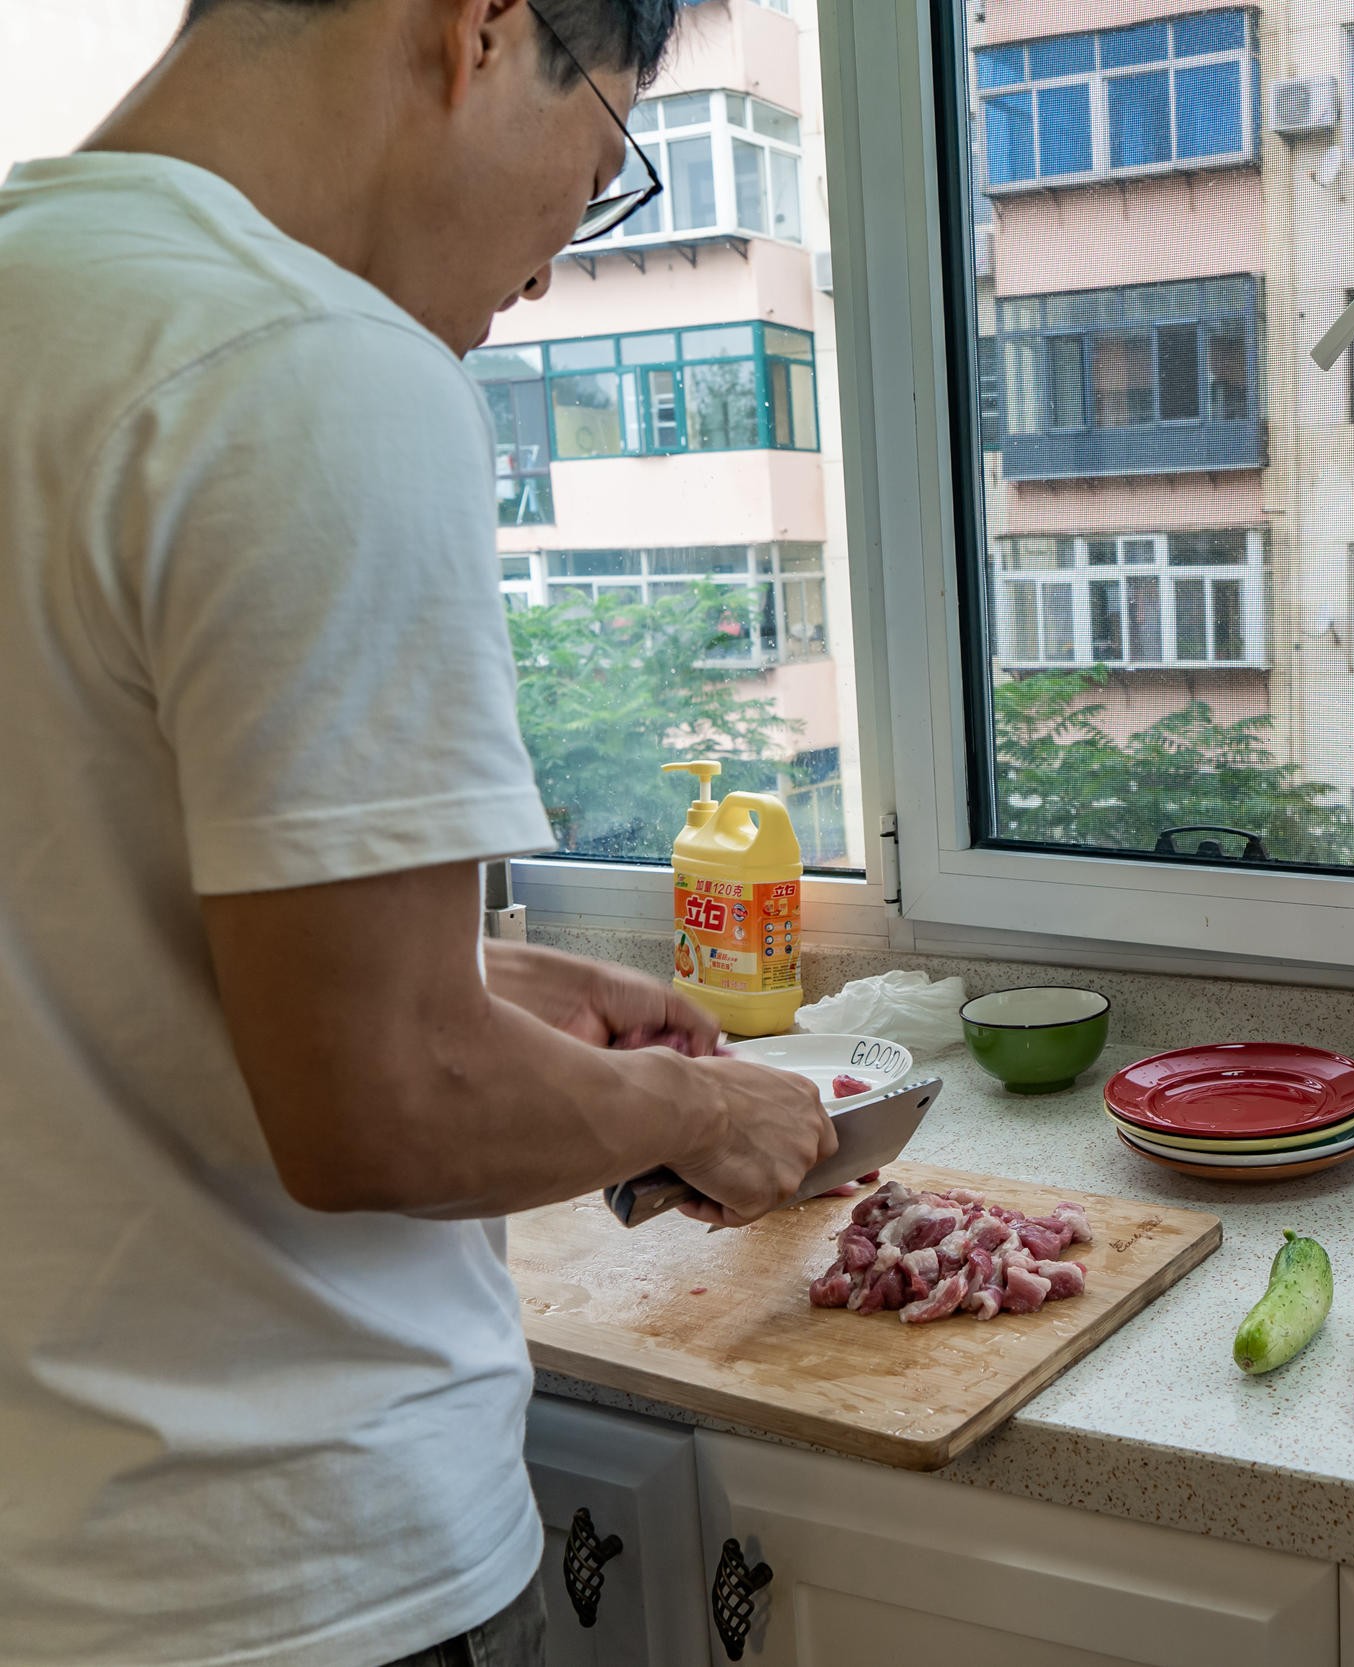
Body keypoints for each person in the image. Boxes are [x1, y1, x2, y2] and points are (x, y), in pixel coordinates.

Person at [0, 3, 840, 1662]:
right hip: (285, 1567)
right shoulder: (307, 366)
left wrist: (479, 983)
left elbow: (93, 905)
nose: (542, 277)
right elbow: (384, 1108)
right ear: (484, 31)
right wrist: (689, 1108)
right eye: (598, 165)